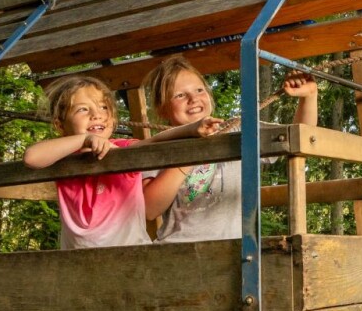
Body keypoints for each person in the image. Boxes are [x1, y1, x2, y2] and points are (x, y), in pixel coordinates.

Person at [23, 75, 222, 249]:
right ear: (60, 124)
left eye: (103, 107)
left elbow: (154, 140)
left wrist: (192, 129)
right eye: (83, 109)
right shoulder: (62, 155)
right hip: (78, 260)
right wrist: (84, 140)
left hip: (131, 253)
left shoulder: (122, 147)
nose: (97, 114)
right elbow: (31, 158)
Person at [141, 56, 318, 242]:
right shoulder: (158, 147)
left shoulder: (236, 129)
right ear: (163, 109)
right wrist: (191, 154)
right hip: (178, 254)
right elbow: (150, 210)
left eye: (199, 90)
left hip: (238, 254)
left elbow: (300, 136)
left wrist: (309, 97)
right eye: (180, 95)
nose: (193, 99)